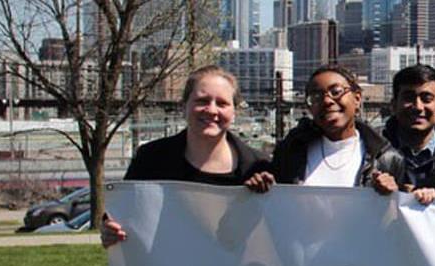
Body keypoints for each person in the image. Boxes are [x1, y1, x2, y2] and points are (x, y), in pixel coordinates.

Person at [101, 66, 269, 247]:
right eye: (202, 101)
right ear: (184, 106)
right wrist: (110, 229)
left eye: (222, 103)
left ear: (234, 112)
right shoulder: (150, 158)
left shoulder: (258, 167)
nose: (211, 110)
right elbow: (126, 215)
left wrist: (266, 194)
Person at [243, 65, 404, 193]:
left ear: (357, 98)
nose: (327, 101)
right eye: (316, 96)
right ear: (309, 107)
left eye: (336, 92)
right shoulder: (290, 151)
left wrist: (392, 195)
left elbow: (399, 217)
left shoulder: (387, 159)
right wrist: (264, 189)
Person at [383, 65, 435, 187]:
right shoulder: (375, 150)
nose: (418, 107)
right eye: (408, 98)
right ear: (393, 106)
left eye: (426, 99)